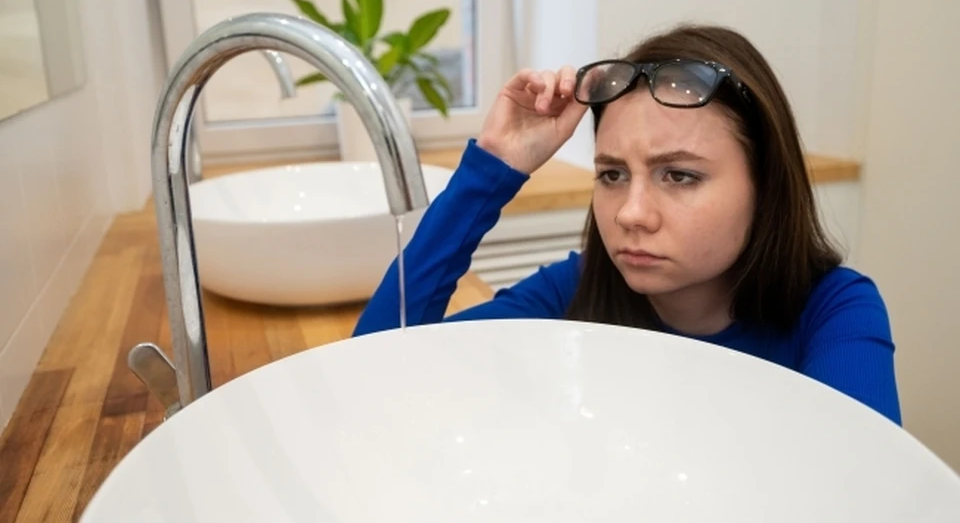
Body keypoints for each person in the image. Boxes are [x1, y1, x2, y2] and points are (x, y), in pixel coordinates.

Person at [352, 23, 902, 425]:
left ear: (766, 186)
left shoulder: (834, 312)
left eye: (680, 176)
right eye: (612, 174)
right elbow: (371, 373)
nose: (631, 214)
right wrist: (493, 167)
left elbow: (861, 492)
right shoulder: (576, 288)